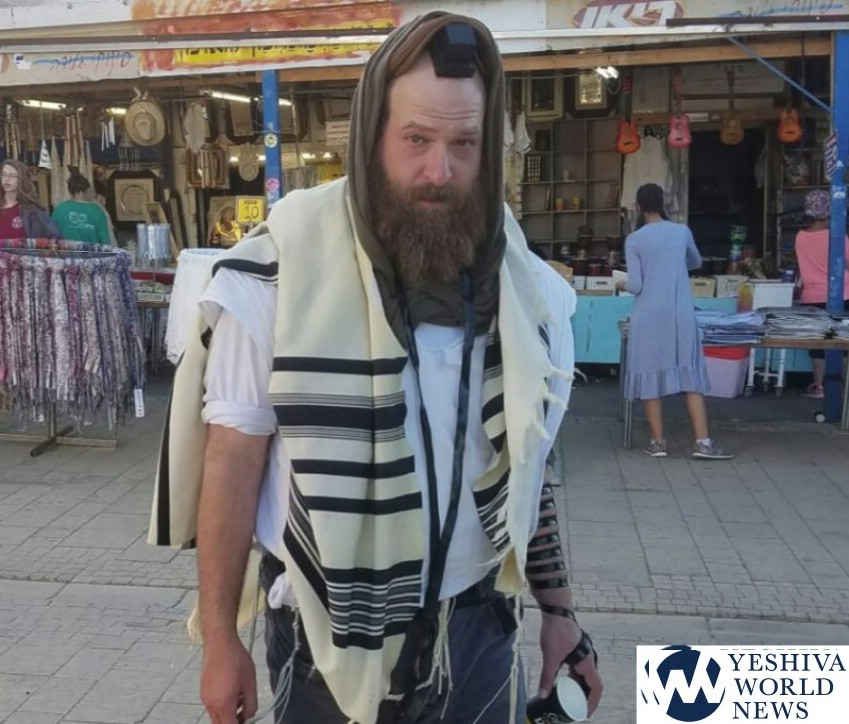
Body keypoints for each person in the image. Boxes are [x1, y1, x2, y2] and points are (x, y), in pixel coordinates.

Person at [151, 11, 602, 724]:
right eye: (416, 139)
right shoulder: (275, 273)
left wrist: (560, 612)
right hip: (323, 632)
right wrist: (220, 640)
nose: (439, 172)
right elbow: (231, 462)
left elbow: (525, 464)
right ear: (370, 135)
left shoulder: (524, 288)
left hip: (479, 630)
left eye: (463, 143)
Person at [617, 183, 733, 460]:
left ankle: (658, 443)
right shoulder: (681, 231)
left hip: (648, 315)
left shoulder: (634, 240)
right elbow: (696, 262)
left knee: (649, 374)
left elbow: (636, 285)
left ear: (638, 206)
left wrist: (620, 283)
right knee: (690, 374)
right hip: (680, 313)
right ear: (663, 203)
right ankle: (703, 442)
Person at [794, 189, 849, 399]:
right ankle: (844, 388)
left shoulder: (800, 237)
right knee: (844, 343)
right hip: (842, 294)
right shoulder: (838, 236)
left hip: (812, 297)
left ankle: (819, 386)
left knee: (818, 344)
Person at [51, 167, 113, 244]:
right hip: (92, 252)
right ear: (87, 190)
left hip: (66, 251)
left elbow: (52, 238)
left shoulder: (60, 209)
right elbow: (105, 242)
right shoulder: (97, 210)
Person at [0, 159, 60, 240]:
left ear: (21, 179)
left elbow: (54, 236)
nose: (7, 179)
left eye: (12, 175)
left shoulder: (32, 210)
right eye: (3, 175)